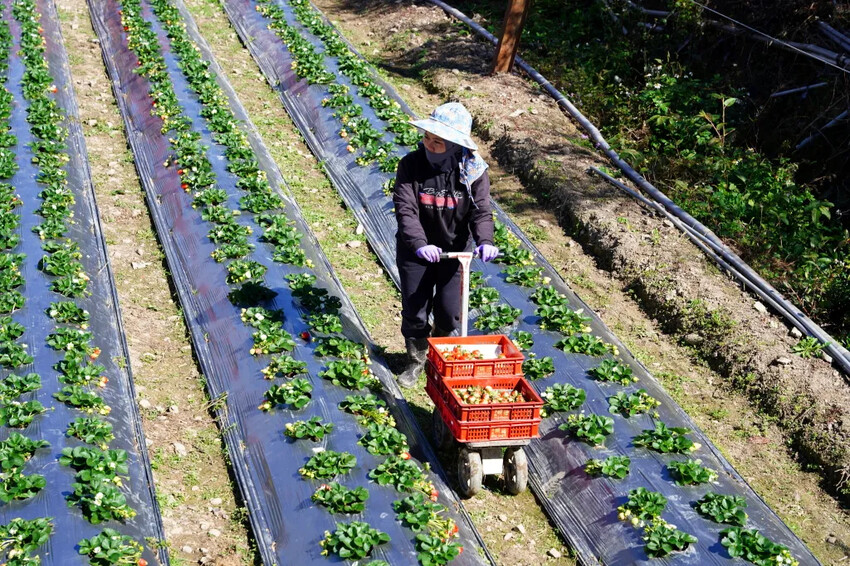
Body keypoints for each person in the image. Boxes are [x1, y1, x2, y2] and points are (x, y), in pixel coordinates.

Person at [392, 102, 499, 388]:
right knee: (415, 309)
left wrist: (485, 241)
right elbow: (406, 210)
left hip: (455, 251)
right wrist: (419, 243)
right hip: (416, 251)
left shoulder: (473, 172)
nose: (429, 144)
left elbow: (481, 211)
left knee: (450, 312)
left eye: (437, 141)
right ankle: (415, 360)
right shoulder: (411, 165)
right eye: (427, 137)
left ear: (455, 146)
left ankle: (437, 355)